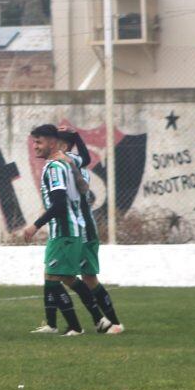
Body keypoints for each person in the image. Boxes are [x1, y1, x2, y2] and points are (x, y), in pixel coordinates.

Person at [23, 124, 106, 337]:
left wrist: (35, 225)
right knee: (64, 278)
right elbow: (84, 161)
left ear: (52, 142)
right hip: (66, 230)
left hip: (65, 230)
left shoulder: (55, 168)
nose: (35, 147)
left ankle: (79, 326)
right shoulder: (61, 163)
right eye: (34, 142)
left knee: (55, 277)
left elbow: (59, 204)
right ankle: (95, 321)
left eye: (39, 142)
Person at [54, 128, 124, 334]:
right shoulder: (66, 163)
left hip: (82, 229)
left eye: (55, 142)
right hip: (79, 227)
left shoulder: (70, 162)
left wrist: (76, 136)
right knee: (80, 277)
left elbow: (83, 159)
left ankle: (106, 321)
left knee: (73, 276)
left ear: (64, 146)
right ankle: (105, 321)